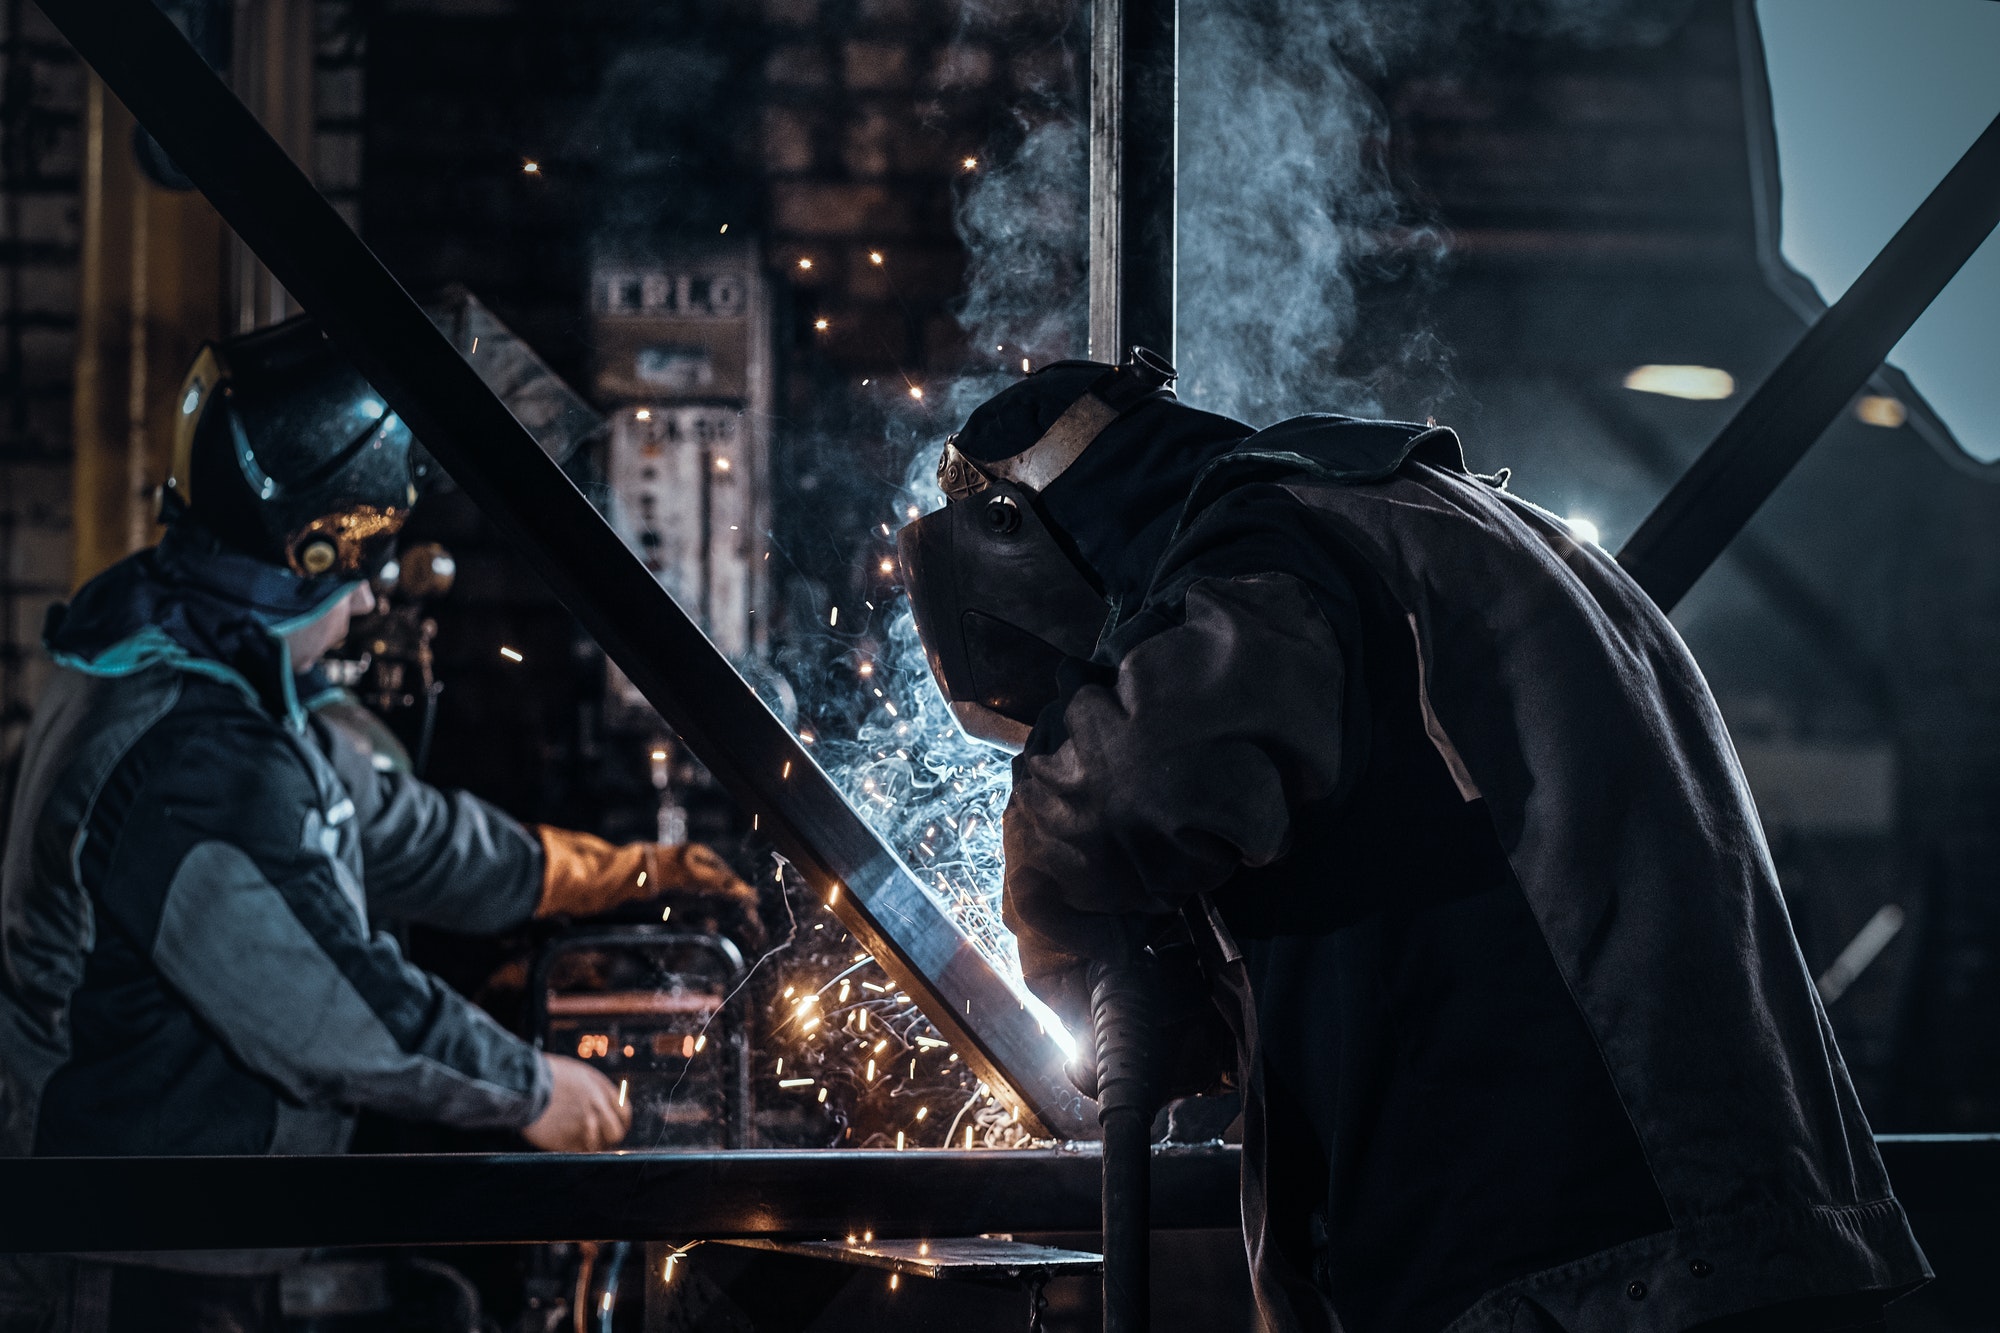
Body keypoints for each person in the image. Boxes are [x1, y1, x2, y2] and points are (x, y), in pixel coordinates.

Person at [896, 353, 1930, 1333]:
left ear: (1012, 530)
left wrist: (1054, 889)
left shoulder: (1271, 538)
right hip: (1765, 1243)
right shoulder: (1461, 529)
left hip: (1572, 1266)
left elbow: (1125, 782)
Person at [0, 317, 760, 1329]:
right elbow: (338, 1011)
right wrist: (532, 1088)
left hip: (172, 1243)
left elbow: (406, 833)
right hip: (129, 1264)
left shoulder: (203, 677)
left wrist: (630, 872)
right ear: (312, 549)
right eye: (360, 573)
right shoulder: (198, 755)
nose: (365, 606)